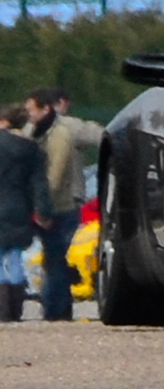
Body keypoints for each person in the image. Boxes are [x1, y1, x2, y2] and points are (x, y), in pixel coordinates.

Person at [24, 87, 103, 322]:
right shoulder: (31, 130)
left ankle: (56, 310)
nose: (27, 114)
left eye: (31, 109)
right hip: (42, 204)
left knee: (55, 258)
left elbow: (102, 135)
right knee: (51, 258)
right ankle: (56, 307)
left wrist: (41, 204)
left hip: (63, 202)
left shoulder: (67, 129)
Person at [0, 113, 48, 322]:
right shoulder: (28, 148)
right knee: (15, 256)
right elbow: (39, 183)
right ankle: (15, 307)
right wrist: (43, 210)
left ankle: (1, 306)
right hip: (18, 206)